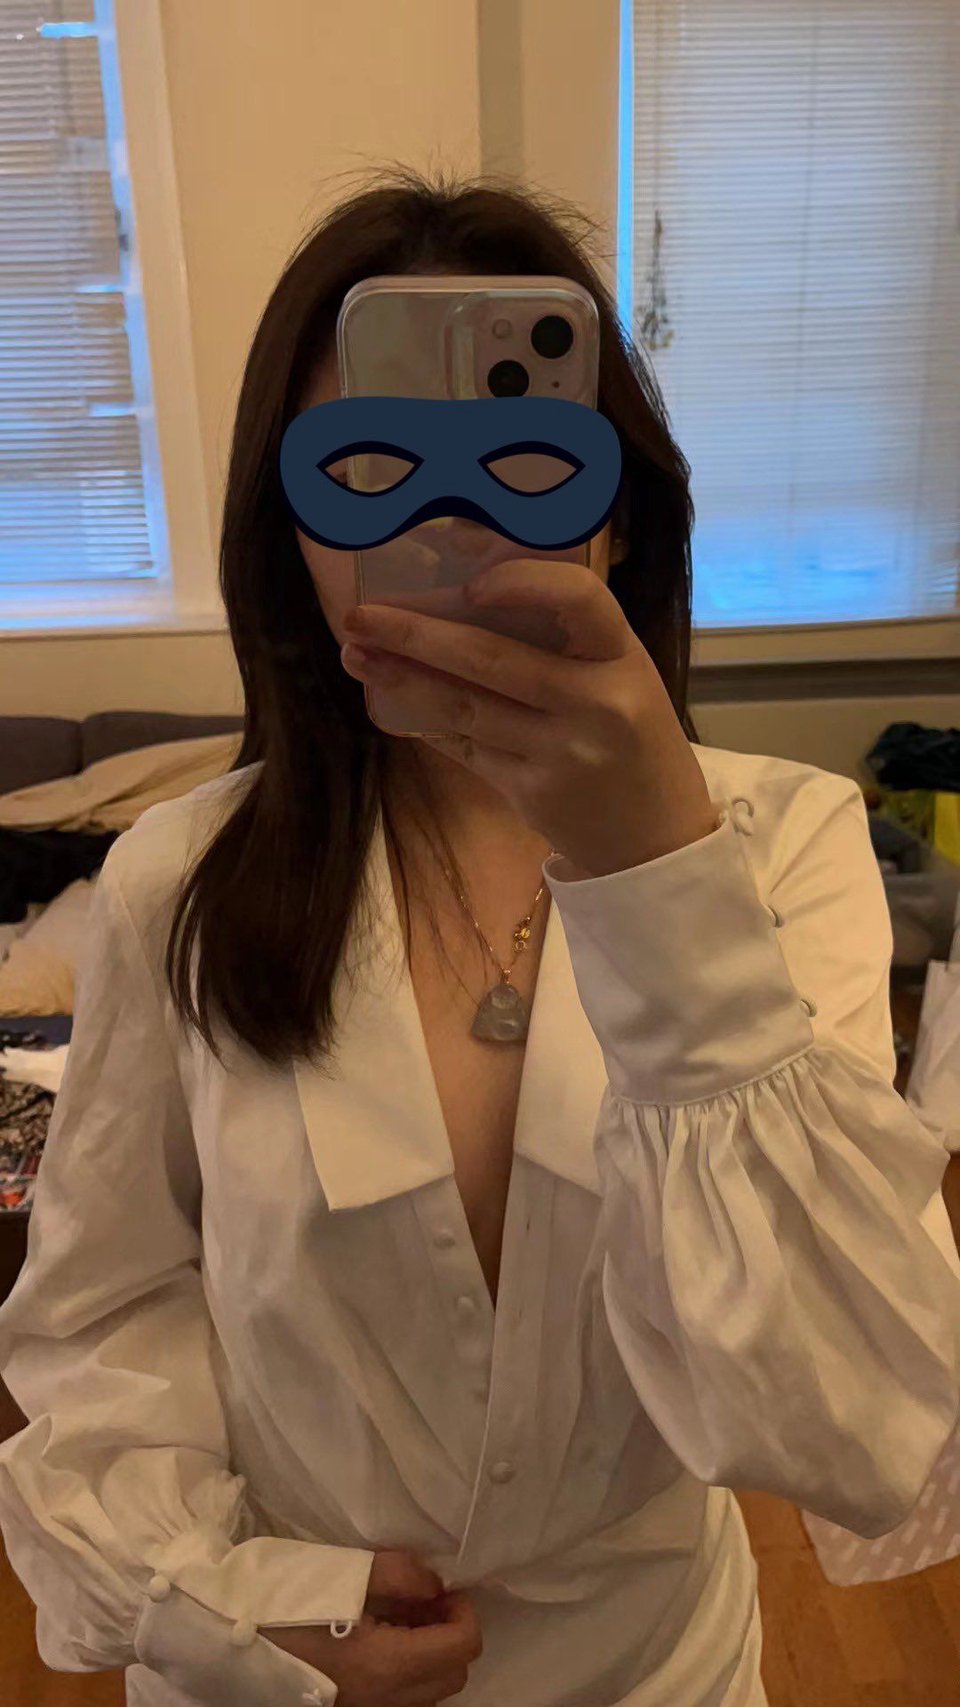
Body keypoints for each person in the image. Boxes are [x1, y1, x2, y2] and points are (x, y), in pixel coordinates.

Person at [1, 169, 958, 1707]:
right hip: (280, 1661)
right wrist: (232, 1603)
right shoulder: (179, 878)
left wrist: (656, 871)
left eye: (528, 465)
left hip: (655, 1669)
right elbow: (104, 1313)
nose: (448, 525)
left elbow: (845, 1418)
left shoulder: (785, 847)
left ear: (620, 519)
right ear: (286, 533)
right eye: (366, 470)